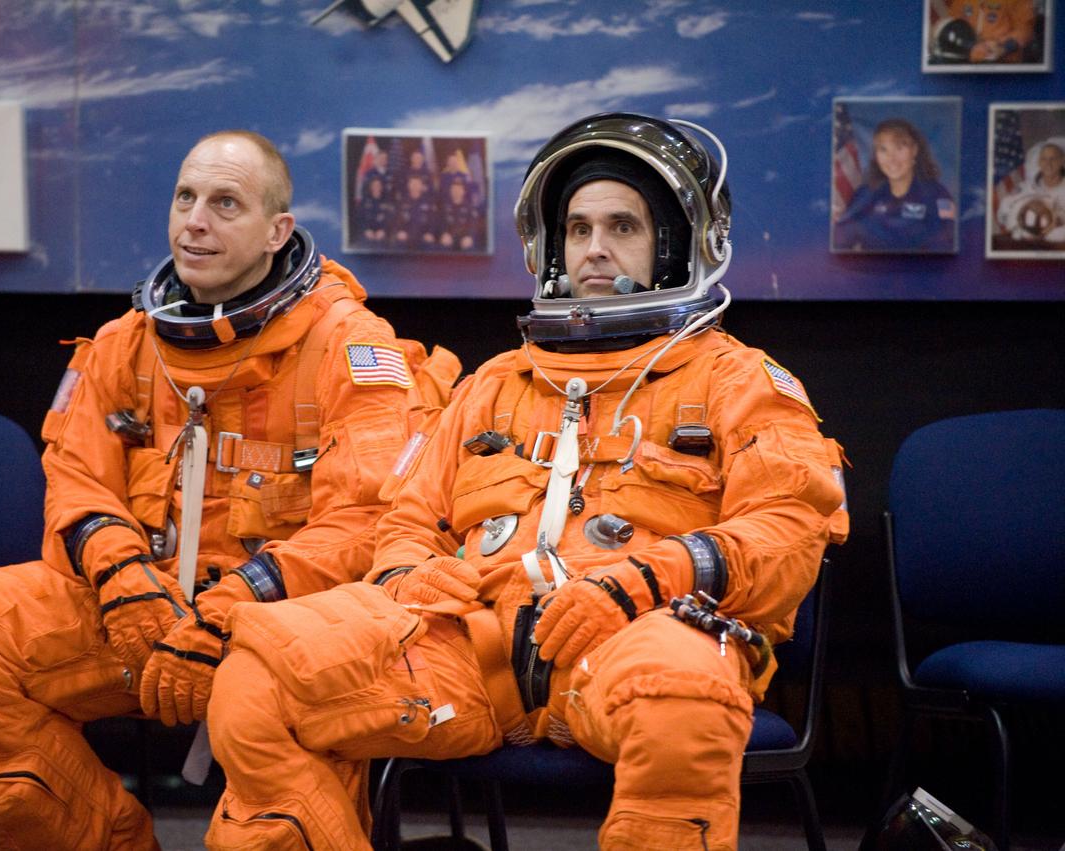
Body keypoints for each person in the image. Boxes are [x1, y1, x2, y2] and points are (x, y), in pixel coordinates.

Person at [204, 112, 849, 850]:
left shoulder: (742, 384)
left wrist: (644, 579)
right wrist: (410, 576)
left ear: (681, 245)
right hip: (471, 645)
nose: (594, 250)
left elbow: (788, 531)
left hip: (636, 633)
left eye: (622, 227)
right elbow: (405, 518)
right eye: (577, 229)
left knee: (684, 699)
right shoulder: (495, 384)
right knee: (260, 678)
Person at [0, 130, 458, 850]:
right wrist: (121, 577)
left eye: (225, 203)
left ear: (278, 231)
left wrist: (233, 608)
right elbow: (76, 478)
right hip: (145, 612)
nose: (195, 221)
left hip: (277, 630)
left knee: (267, 832)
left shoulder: (349, 346)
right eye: (185, 198)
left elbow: (368, 519)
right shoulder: (127, 342)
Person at [833, 118, 956, 253]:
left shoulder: (937, 195)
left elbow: (944, 251)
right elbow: (839, 243)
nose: (891, 158)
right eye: (883, 149)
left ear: (914, 150)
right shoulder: (865, 194)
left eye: (899, 148)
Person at [997, 140, 1065, 244]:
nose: (1048, 164)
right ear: (1039, 162)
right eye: (1044, 159)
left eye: (1053, 159)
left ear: (1062, 161)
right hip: (1027, 243)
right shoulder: (1027, 188)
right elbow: (1003, 214)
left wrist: (1058, 219)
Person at [942, 0, 1037, 63]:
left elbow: (1025, 30)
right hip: (966, 61)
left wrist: (1004, 47)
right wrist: (967, 46)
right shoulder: (960, 1)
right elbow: (951, 26)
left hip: (1004, 64)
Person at [437, 173, 482, 251]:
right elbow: (440, 223)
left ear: (463, 191)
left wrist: (469, 236)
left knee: (469, 246)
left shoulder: (469, 207)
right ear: (450, 191)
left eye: (458, 189)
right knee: (443, 244)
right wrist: (444, 233)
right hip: (449, 237)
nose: (456, 191)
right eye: (454, 189)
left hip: (464, 238)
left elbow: (473, 224)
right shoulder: (444, 207)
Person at [352, 172, 393, 248]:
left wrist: (384, 230)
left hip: (383, 234)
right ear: (370, 187)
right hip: (367, 233)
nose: (376, 187)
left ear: (381, 187)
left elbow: (390, 218)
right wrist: (366, 230)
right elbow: (359, 218)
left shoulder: (387, 201)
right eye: (374, 185)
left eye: (378, 185)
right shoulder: (364, 201)